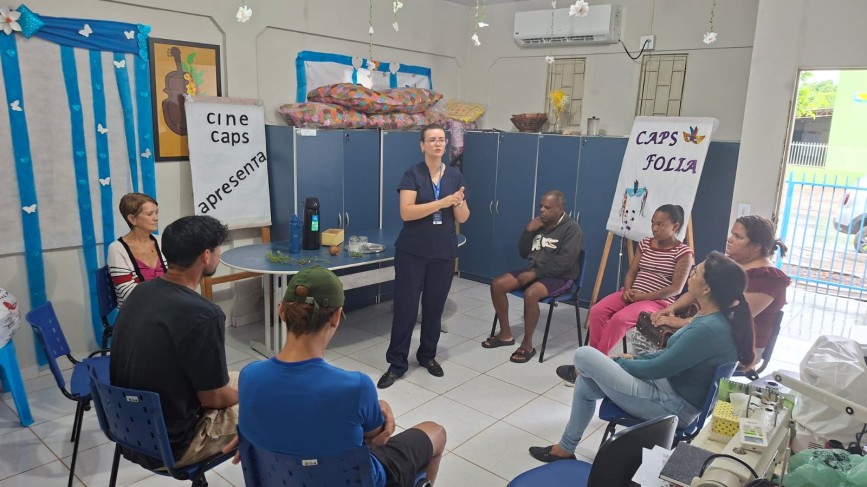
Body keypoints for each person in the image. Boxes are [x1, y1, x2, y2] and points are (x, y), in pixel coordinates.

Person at [529, 252, 754, 463]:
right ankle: (565, 449)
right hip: (669, 387)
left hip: (674, 406)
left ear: (706, 289)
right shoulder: (711, 316)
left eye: (696, 271)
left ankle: (580, 373)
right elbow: (669, 357)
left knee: (583, 354)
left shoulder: (709, 328)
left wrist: (619, 362)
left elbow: (657, 368)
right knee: (585, 383)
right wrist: (633, 360)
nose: (692, 272)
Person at [238, 266, 447, 486]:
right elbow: (377, 438)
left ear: (281, 311)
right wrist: (378, 407)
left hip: (279, 478)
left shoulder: (249, 376)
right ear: (336, 317)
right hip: (358, 480)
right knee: (436, 432)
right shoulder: (355, 387)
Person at [110, 215, 236, 470]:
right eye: (218, 249)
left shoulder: (141, 292)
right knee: (267, 404)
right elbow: (213, 398)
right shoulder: (205, 314)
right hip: (171, 447)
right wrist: (249, 397)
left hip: (126, 432)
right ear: (206, 255)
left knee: (245, 378)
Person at [378, 123, 470, 389]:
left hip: (443, 252)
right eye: (432, 140)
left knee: (434, 309)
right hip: (413, 253)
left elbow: (463, 217)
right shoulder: (413, 174)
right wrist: (441, 202)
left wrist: (458, 201)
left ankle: (427, 355)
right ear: (422, 145)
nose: (438, 143)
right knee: (406, 309)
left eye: (441, 139)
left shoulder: (455, 175)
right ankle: (397, 364)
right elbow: (407, 212)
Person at [633, 215, 791, 355]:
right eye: (732, 234)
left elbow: (730, 319)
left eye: (738, 236)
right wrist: (670, 309)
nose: (730, 239)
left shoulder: (769, 279)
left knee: (652, 347)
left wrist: (680, 323)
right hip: (705, 328)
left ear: (756, 246)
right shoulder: (732, 262)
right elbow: (696, 290)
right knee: (642, 334)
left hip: (737, 346)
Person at [482, 190, 583, 363]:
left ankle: (527, 345)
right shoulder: (540, 224)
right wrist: (528, 231)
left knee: (531, 293)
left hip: (561, 277)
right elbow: (523, 252)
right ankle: (505, 335)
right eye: (541, 206)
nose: (542, 210)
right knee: (498, 284)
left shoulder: (572, 229)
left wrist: (536, 274)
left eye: (547, 207)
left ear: (560, 209)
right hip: (535, 271)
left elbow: (565, 262)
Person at [585, 204, 694, 355]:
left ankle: (594, 360)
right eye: (653, 223)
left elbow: (675, 289)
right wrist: (627, 290)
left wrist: (642, 297)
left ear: (675, 226)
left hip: (657, 302)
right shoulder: (645, 243)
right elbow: (632, 272)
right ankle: (593, 357)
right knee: (597, 311)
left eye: (660, 224)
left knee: (619, 319)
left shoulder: (684, 253)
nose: (654, 228)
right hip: (633, 294)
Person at [107, 192, 167, 307]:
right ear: (132, 219)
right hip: (136, 312)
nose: (156, 218)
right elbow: (128, 294)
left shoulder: (162, 241)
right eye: (150, 214)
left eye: (156, 212)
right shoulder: (117, 249)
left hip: (165, 307)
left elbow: (177, 277)